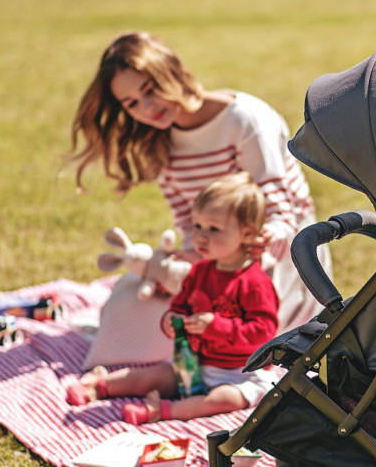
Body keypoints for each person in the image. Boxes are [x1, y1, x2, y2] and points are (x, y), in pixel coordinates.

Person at [70, 31, 329, 332]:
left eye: (150, 89)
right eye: (132, 103)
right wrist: (193, 259)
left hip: (285, 255)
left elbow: (282, 217)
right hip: (222, 255)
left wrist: (258, 242)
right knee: (135, 310)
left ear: (172, 71)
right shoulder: (160, 142)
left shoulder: (244, 121)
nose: (147, 108)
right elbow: (188, 222)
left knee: (246, 341)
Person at [67, 173, 279, 422]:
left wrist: (216, 326)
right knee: (152, 376)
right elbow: (179, 306)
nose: (201, 236)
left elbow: (264, 333)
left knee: (224, 400)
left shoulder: (255, 282)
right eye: (197, 225)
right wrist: (170, 320)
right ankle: (100, 385)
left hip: (240, 373)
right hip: (192, 362)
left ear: (246, 234)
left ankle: (160, 412)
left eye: (214, 229)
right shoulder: (200, 272)